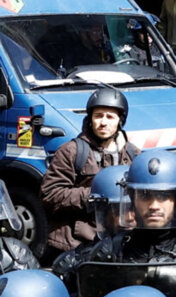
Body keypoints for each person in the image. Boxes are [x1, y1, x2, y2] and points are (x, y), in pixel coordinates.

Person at [41, 88, 138, 258]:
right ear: (90, 119)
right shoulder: (71, 151)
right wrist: (93, 197)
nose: (103, 122)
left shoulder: (133, 154)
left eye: (110, 117)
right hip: (76, 243)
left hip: (120, 240)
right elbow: (50, 194)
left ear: (120, 121)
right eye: (98, 116)